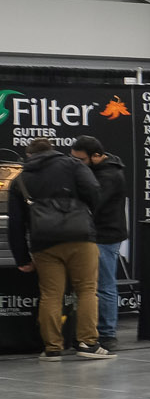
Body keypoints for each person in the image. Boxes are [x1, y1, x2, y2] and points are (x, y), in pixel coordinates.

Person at [6, 135, 106, 360]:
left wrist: (22, 258)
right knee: (87, 290)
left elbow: (16, 223)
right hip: (80, 237)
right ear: (52, 149)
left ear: (29, 155)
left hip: (44, 243)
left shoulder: (20, 180)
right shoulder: (73, 165)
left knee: (51, 294)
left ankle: (52, 348)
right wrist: (83, 213)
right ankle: (87, 343)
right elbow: (94, 192)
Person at [68, 136, 128, 353]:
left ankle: (107, 333)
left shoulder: (110, 175)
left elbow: (95, 204)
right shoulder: (95, 170)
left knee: (104, 285)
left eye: (80, 160)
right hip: (93, 234)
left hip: (104, 235)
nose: (75, 163)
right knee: (93, 287)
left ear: (96, 156)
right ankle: (93, 331)